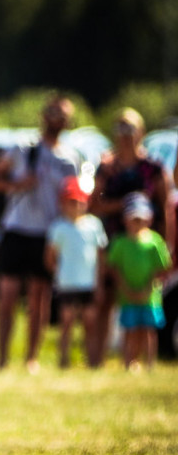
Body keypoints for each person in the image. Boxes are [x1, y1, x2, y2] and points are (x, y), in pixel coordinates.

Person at [0, 94, 79, 372]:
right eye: (52, 112)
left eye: (63, 115)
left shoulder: (69, 158)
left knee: (40, 298)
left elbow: (74, 196)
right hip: (16, 229)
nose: (56, 119)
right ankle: (1, 358)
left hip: (47, 233)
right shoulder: (22, 148)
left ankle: (31, 358)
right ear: (43, 115)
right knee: (7, 296)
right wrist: (17, 185)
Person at [89, 108, 173, 365]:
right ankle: (96, 359)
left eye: (131, 129)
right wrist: (122, 206)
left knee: (144, 303)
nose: (125, 136)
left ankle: (139, 360)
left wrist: (168, 244)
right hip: (114, 243)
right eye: (120, 129)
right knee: (105, 301)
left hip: (145, 247)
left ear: (142, 132)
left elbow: (166, 206)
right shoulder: (107, 167)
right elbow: (94, 205)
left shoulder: (154, 167)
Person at [44, 177, 107, 369]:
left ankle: (93, 362)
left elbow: (100, 256)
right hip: (67, 284)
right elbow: (50, 257)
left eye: (79, 201)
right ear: (63, 203)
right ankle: (63, 361)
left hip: (88, 284)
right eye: (71, 201)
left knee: (90, 324)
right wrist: (59, 274)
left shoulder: (94, 225)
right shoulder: (58, 227)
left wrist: (100, 283)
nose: (76, 206)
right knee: (67, 324)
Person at [107, 193, 172, 370]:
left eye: (140, 219)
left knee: (148, 331)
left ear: (149, 219)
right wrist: (126, 289)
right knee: (130, 330)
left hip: (150, 297)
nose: (137, 223)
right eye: (133, 219)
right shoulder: (120, 242)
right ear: (125, 220)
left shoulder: (154, 242)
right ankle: (129, 363)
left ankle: (150, 365)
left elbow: (162, 268)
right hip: (127, 296)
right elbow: (113, 268)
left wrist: (147, 289)